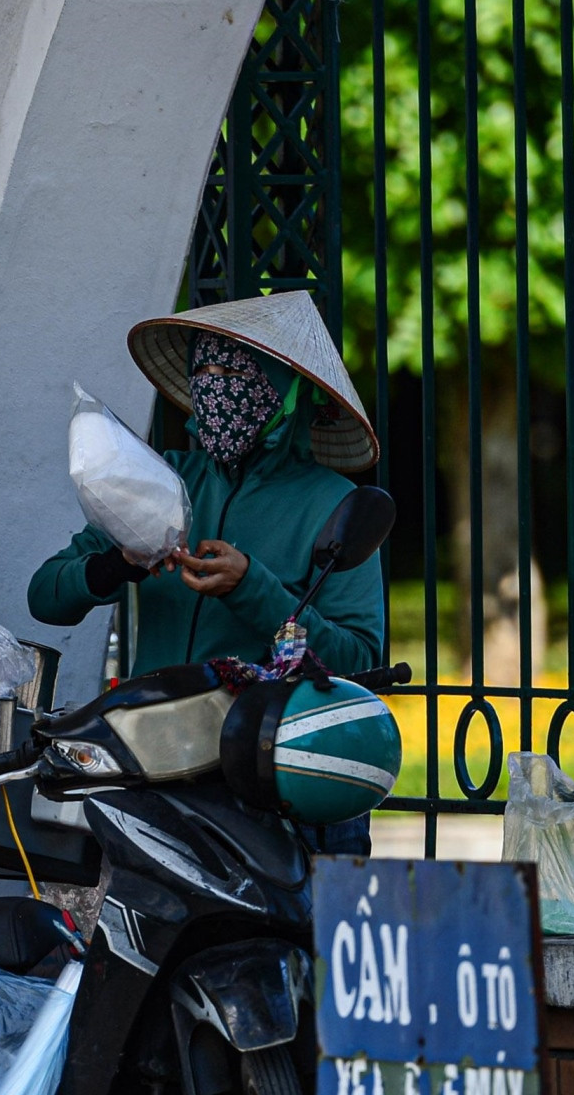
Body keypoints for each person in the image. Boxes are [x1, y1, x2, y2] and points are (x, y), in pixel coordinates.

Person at [27, 292, 387, 855]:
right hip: (146, 766)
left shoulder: (334, 505)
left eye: (235, 371)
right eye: (205, 368)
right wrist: (120, 562)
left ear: (286, 389)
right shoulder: (161, 478)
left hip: (263, 779)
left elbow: (357, 661)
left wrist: (253, 588)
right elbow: (46, 595)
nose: (215, 384)